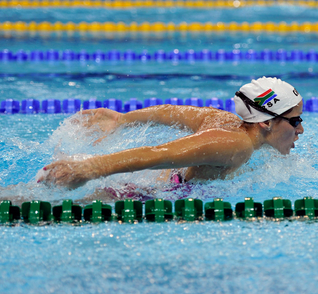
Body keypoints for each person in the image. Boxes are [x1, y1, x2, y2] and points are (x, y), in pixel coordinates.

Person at [37, 76, 304, 189]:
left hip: (152, 183)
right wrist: (89, 169)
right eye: (294, 121)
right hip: (141, 194)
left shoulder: (223, 121)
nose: (301, 129)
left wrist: (122, 119)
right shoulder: (236, 145)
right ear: (266, 122)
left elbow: (170, 112)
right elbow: (160, 154)